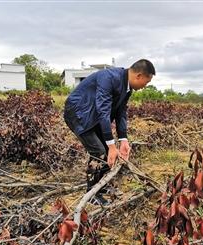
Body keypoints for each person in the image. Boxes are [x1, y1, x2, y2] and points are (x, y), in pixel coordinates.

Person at [63, 59, 155, 200]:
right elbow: (103, 110)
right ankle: (92, 194)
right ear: (139, 76)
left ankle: (101, 187)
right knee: (99, 152)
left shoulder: (127, 87)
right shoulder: (109, 77)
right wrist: (111, 145)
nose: (145, 86)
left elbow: (120, 112)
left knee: (106, 152)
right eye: (146, 82)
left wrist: (123, 139)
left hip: (92, 115)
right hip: (78, 113)